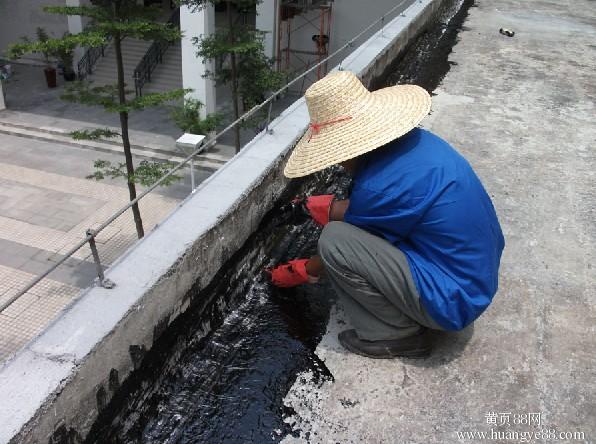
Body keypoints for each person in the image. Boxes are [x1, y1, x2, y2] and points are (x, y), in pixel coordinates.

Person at [268, 71, 505, 359]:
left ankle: (396, 335)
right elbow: (381, 209)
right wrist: (318, 207)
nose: (339, 164)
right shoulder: (417, 143)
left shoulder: (380, 188)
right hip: (474, 275)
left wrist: (305, 271)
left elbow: (349, 242)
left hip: (453, 300)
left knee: (333, 240)